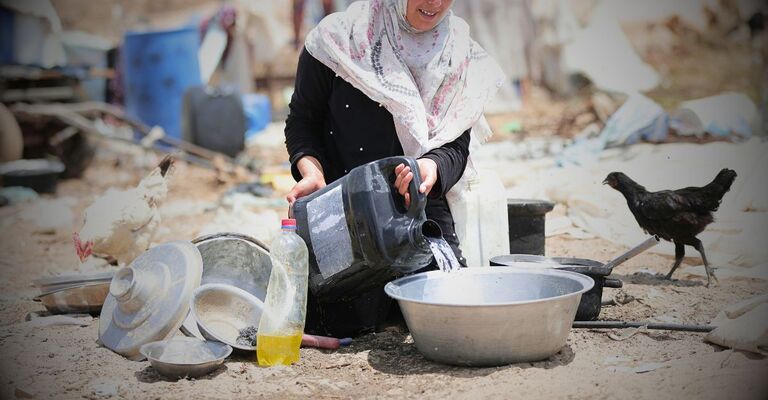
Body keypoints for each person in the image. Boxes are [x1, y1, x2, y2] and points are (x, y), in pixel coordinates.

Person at [284, 0, 504, 337]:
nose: (434, 3)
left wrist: (430, 165)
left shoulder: (458, 56)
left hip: (417, 210)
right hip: (343, 214)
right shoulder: (337, 42)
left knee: (448, 319)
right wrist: (312, 173)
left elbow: (456, 145)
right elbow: (302, 122)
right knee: (341, 325)